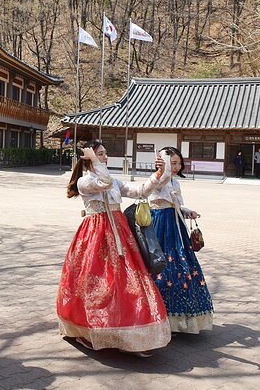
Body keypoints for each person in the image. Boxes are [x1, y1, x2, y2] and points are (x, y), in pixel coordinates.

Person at [57, 141, 171, 357]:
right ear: (90, 158)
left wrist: (159, 173)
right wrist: (93, 161)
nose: (105, 157)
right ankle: (90, 330)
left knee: (128, 281)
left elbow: (140, 191)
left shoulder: (114, 181)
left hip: (120, 232)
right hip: (96, 233)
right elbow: (104, 182)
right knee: (96, 283)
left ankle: (131, 333)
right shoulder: (84, 182)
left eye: (105, 153)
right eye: (100, 154)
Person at [149, 147, 214, 334]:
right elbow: (159, 187)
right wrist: (163, 169)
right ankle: (159, 316)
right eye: (173, 163)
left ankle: (179, 318)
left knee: (182, 268)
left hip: (176, 227)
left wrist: (188, 212)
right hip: (160, 227)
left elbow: (175, 205)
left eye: (178, 163)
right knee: (162, 269)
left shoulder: (175, 183)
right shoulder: (158, 180)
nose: (176, 167)